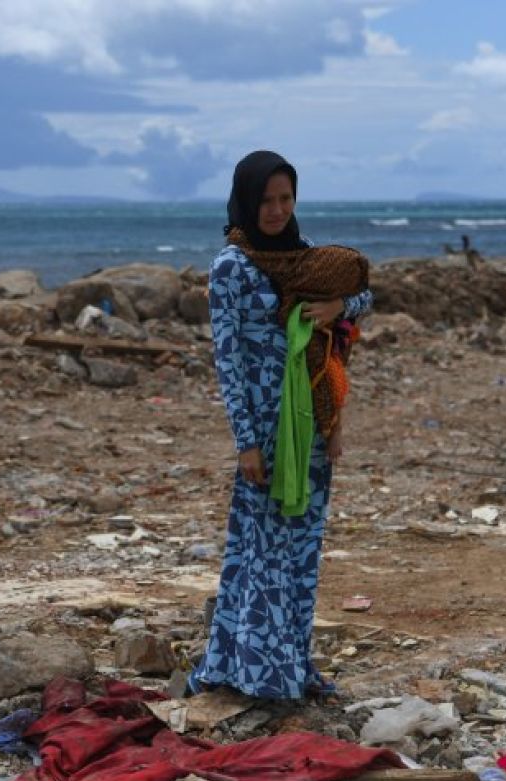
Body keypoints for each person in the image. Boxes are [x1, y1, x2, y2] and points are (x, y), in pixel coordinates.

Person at [188, 150, 372, 700]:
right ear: (246, 201)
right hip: (266, 434)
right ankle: (251, 671)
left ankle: (292, 666)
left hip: (310, 425)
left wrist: (338, 305)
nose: (275, 209)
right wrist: (245, 441)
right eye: (266, 200)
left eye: (285, 198)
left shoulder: (306, 257)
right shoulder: (231, 267)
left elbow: (364, 295)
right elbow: (228, 359)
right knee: (258, 549)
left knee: (302, 550)